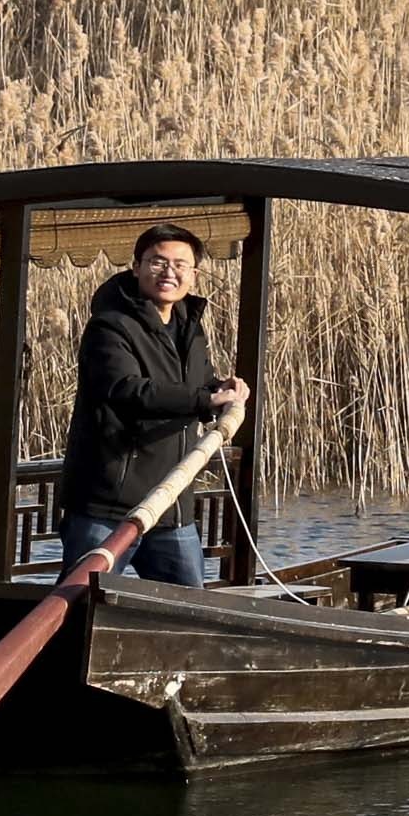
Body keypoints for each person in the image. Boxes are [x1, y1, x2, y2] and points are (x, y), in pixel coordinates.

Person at [55, 222, 250, 585]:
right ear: (137, 267)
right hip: (107, 507)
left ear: (194, 273)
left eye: (180, 264)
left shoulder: (188, 325)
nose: (168, 273)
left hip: (170, 505)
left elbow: (197, 385)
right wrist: (204, 399)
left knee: (188, 615)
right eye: (157, 262)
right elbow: (128, 391)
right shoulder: (109, 327)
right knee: (78, 607)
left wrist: (221, 388)